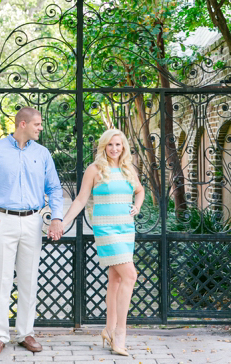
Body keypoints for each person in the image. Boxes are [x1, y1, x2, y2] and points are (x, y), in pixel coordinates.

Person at [0, 107, 64, 356]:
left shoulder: (42, 154)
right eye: (37, 124)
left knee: (29, 279)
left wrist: (57, 218)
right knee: (1, 280)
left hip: (32, 222)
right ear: (22, 124)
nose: (41, 128)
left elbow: (54, 188)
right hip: (1, 221)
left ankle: (25, 333)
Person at [61, 128, 144, 357]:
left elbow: (140, 190)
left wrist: (137, 206)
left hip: (126, 228)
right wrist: (63, 222)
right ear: (103, 146)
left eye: (118, 145)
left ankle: (108, 329)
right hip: (106, 228)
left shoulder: (128, 169)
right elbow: (80, 199)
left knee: (116, 278)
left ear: (123, 147)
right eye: (110, 145)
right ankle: (120, 334)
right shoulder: (95, 169)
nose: (114, 149)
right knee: (130, 275)